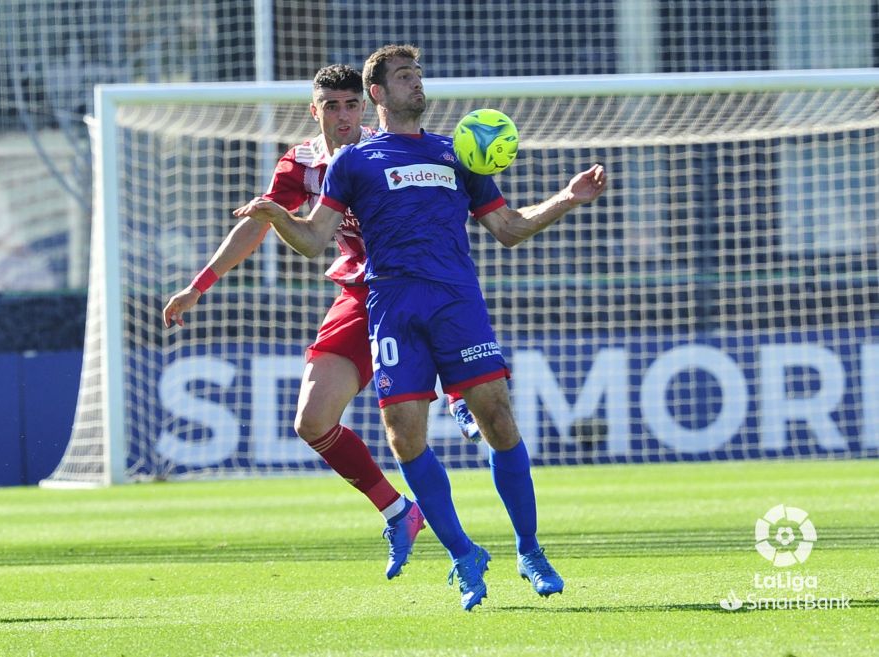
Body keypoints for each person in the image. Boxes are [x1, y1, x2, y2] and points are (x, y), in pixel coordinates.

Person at [233, 45, 607, 611]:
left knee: (499, 421)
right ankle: (462, 553)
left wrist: (567, 198)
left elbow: (507, 228)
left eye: (419, 75)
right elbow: (313, 240)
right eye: (404, 77)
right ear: (378, 93)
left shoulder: (458, 153)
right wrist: (277, 215)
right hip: (390, 308)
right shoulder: (353, 162)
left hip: (457, 304)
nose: (417, 84)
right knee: (405, 436)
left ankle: (530, 550)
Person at [162, 64, 480, 581]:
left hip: (414, 288)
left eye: (351, 104)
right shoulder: (302, 164)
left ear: (365, 106)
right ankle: (399, 512)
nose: (343, 115)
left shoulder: (391, 148)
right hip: (358, 295)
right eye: (331, 106)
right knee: (311, 421)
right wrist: (199, 286)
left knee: (430, 317)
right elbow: (258, 227)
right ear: (315, 112)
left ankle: (459, 392)